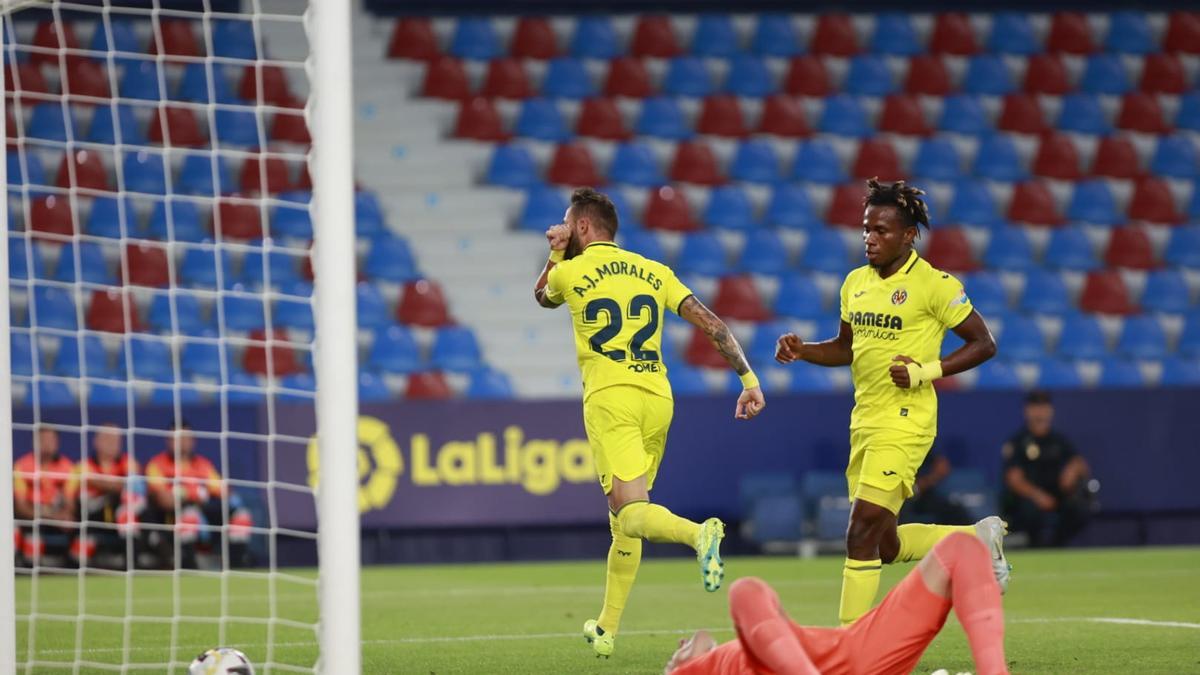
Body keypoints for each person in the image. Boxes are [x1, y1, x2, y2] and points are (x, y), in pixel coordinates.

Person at [534, 187, 766, 657]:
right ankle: (607, 627)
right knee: (626, 521)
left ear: (582, 226)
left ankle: (698, 534)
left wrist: (554, 251)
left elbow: (543, 297)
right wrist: (748, 377)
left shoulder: (572, 269)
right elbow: (711, 323)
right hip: (658, 398)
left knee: (630, 512)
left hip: (610, 398)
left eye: (568, 224)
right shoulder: (654, 271)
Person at [774, 179, 1007, 625]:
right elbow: (847, 348)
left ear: (908, 235)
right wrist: (804, 350)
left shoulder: (934, 285)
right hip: (865, 419)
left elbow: (985, 343)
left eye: (881, 230)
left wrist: (926, 371)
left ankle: (849, 649)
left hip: (906, 420)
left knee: (858, 531)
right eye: (866, 229)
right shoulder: (854, 283)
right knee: (885, 544)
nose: (870, 238)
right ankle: (976, 540)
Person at [664, 532, 1009, 675]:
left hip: (860, 648)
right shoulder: (702, 669)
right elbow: (752, 599)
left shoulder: (745, 654)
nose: (681, 642)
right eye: (674, 656)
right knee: (744, 589)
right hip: (861, 654)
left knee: (961, 547)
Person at [143, 420, 252, 568]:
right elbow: (165, 500)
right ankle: (188, 567)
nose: (182, 442)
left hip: (204, 510)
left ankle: (236, 567)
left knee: (241, 516)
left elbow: (224, 491)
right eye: (177, 438)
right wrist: (195, 492)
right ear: (168, 440)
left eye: (186, 438)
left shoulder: (203, 465)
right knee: (190, 515)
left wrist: (186, 492)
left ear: (193, 440)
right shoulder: (157, 465)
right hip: (171, 516)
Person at [1001, 390, 1094, 547]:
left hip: (1056, 496)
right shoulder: (1019, 441)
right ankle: (1035, 547)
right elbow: (1013, 479)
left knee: (1078, 508)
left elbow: (1081, 464)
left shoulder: (1059, 440)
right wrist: (1037, 495)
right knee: (1030, 512)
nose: (1040, 412)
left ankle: (1057, 545)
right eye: (1035, 407)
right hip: (1029, 499)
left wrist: (1073, 469)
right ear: (1027, 411)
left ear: (1050, 411)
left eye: (1044, 407)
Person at [72, 423, 143, 562]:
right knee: (78, 554)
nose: (112, 444)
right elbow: (70, 494)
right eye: (107, 439)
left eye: (116, 440)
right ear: (96, 441)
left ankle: (132, 560)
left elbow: (134, 485)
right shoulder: (83, 466)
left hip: (119, 517)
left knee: (128, 508)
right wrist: (117, 485)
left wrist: (101, 484)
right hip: (92, 519)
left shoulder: (129, 462)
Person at [12, 426, 78, 563]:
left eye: (50, 439)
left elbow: (70, 504)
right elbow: (20, 507)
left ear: (57, 442)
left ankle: (69, 563)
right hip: (31, 519)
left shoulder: (68, 468)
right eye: (42, 439)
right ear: (34, 442)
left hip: (58, 521)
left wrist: (62, 515)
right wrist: (48, 515)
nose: (47, 443)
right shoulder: (21, 466)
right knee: (19, 533)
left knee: (73, 524)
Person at [900, 453, 972, 527]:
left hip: (925, 493)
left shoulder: (923, 445)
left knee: (956, 512)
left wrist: (931, 478)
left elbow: (941, 466)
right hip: (901, 494)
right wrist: (917, 487)